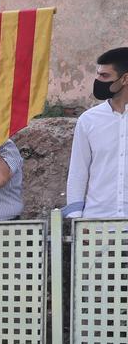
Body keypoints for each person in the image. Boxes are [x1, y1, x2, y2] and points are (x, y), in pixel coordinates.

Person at [66, 47, 128, 219]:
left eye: (105, 76)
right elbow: (78, 171)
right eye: (98, 74)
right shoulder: (88, 120)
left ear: (125, 78)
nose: (98, 80)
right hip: (97, 222)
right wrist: (76, 219)